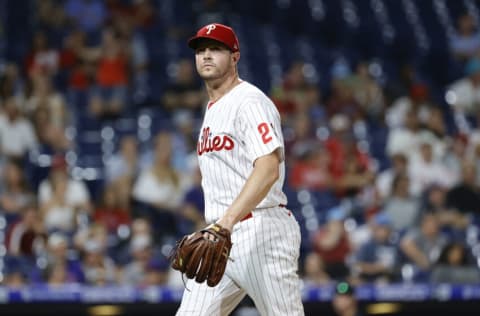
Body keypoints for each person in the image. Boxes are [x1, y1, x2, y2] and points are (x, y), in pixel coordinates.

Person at [176, 23, 304, 315]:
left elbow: (269, 168)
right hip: (221, 235)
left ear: (235, 56)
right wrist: (220, 227)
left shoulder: (250, 102)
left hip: (261, 229)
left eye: (216, 49)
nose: (206, 55)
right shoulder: (213, 108)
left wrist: (226, 223)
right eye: (201, 50)